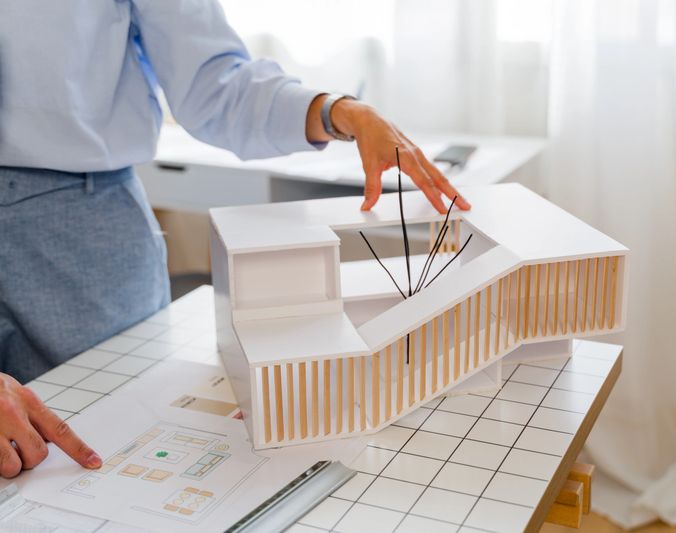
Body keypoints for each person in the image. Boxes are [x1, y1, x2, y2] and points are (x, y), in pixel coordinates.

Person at [0, 1, 470, 478]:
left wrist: (337, 111)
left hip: (81, 224)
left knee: (100, 452)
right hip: (76, 208)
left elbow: (212, 83)